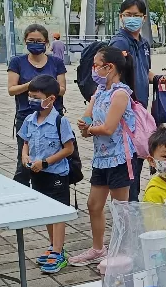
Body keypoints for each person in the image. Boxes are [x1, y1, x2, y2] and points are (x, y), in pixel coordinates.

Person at [70, 46, 136, 266]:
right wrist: (85, 126)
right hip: (101, 158)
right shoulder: (99, 92)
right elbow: (86, 120)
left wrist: (89, 128)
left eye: (97, 65)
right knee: (94, 204)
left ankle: (121, 252)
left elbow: (108, 128)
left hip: (119, 157)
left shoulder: (121, 93)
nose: (94, 70)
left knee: (120, 209)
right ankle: (98, 249)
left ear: (110, 67)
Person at [109, 0, 166, 201]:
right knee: (130, 158)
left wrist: (158, 78)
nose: (132, 19)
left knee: (138, 154)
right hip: (125, 111)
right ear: (121, 17)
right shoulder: (119, 42)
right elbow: (110, 75)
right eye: (128, 15)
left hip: (140, 111)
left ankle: (133, 201)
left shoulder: (143, 43)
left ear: (144, 18)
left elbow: (144, 71)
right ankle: (129, 203)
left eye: (136, 15)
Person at [18, 74, 76, 273]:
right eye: (30, 96)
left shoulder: (60, 121)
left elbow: (68, 149)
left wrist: (46, 162)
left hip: (56, 174)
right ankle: (53, 246)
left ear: (51, 99)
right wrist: (25, 157)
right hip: (37, 174)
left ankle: (59, 252)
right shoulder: (29, 119)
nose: (32, 100)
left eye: (36, 96)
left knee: (58, 213)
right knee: (47, 212)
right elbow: (25, 143)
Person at [7, 24, 67, 183]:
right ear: (25, 41)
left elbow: (61, 89)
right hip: (26, 117)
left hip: (52, 119)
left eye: (39, 40)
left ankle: (54, 189)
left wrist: (44, 87)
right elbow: (12, 89)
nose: (35, 43)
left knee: (53, 159)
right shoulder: (17, 62)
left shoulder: (56, 62)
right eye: (31, 40)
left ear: (46, 42)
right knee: (25, 162)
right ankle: (22, 192)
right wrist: (31, 85)